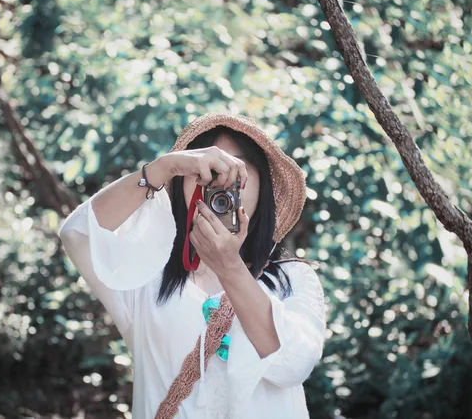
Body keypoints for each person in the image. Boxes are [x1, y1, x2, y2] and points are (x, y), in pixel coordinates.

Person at [57, 112, 326, 419]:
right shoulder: (147, 273)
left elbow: (294, 364)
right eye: (207, 173)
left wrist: (230, 268)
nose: (222, 186)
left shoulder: (294, 278)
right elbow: (78, 234)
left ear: (262, 188)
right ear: (182, 184)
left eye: (239, 173)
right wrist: (162, 168)